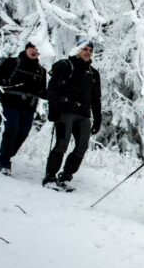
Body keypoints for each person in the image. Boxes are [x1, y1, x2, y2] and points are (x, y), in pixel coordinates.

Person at [43, 39, 102, 191]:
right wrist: (53, 110)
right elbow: (52, 89)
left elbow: (96, 98)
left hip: (84, 115)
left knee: (82, 146)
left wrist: (98, 119)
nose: (88, 52)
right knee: (62, 144)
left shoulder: (94, 74)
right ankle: (50, 177)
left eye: (90, 50)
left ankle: (66, 177)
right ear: (77, 50)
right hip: (65, 112)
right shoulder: (65, 65)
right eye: (85, 49)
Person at [0, 42, 47, 175]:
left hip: (29, 107)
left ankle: (1, 160)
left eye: (37, 49)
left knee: (22, 134)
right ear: (26, 49)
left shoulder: (41, 71)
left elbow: (43, 92)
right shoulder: (11, 63)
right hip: (10, 103)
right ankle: (5, 163)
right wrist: (3, 83)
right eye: (32, 48)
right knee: (12, 129)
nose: (34, 51)